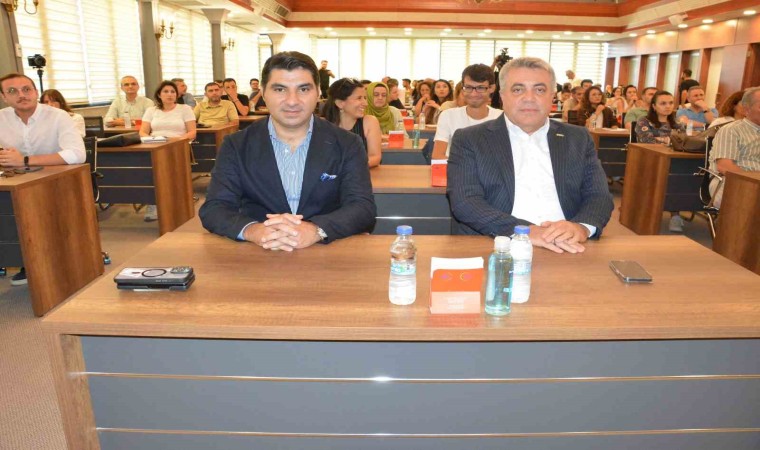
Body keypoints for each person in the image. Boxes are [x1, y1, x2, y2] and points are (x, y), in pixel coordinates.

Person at [199, 51, 376, 251]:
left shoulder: (348, 143)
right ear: (263, 93)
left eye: (303, 89)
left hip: (325, 252)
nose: (292, 101)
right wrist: (253, 230)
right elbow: (215, 208)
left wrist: (316, 230)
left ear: (318, 92)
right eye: (280, 89)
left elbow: (362, 208)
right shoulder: (236, 145)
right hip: (258, 253)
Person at [447, 57, 614, 254]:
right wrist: (526, 232)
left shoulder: (578, 138)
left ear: (552, 96)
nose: (529, 98)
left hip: (568, 247)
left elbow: (598, 195)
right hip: (497, 246)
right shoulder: (470, 139)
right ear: (502, 96)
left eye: (539, 90)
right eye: (518, 89)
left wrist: (581, 227)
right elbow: (466, 201)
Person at [0, 73, 86, 286]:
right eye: (12, 91)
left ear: (36, 92)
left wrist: (25, 160)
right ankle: (20, 258)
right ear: (3, 97)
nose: (21, 95)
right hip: (16, 183)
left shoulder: (58, 116)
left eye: (26, 89)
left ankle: (39, 261)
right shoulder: (1, 118)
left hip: (58, 184)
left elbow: (77, 154)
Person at [139, 80, 197, 222]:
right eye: (166, 91)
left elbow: (192, 132)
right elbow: (143, 132)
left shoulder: (185, 109)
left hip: (177, 147)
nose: (169, 94)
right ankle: (153, 204)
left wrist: (175, 140)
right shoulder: (151, 110)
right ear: (159, 94)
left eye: (172, 92)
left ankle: (177, 204)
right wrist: (152, 140)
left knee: (171, 175)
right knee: (151, 174)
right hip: (155, 146)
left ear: (177, 95)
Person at [635, 90, 686, 233]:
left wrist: (662, 140)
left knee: (680, 177)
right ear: (654, 106)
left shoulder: (676, 123)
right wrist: (669, 141)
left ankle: (675, 215)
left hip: (673, 162)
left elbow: (683, 142)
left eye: (670, 103)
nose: (668, 106)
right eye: (663, 103)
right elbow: (647, 140)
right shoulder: (644, 121)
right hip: (650, 161)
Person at [434, 64, 503, 158]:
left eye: (480, 88)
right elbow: (438, 156)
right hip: (455, 167)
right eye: (468, 87)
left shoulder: (502, 118)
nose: (474, 94)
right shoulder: (448, 115)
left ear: (491, 88)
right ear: (462, 88)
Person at [709, 87, 760, 208]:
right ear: (746, 109)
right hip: (730, 181)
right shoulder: (731, 130)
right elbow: (725, 167)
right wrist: (754, 181)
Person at [323, 77, 382, 168]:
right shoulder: (323, 125)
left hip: (358, 174)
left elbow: (375, 157)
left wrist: (348, 168)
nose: (365, 103)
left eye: (365, 98)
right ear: (340, 103)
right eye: (359, 98)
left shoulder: (369, 122)